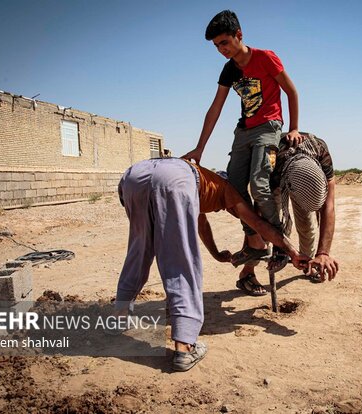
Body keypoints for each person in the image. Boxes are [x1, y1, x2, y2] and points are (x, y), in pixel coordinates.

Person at [109, 158, 309, 372]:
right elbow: (258, 224)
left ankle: (119, 317)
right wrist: (293, 252)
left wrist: (216, 254)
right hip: (173, 180)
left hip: (133, 178)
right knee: (180, 260)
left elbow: (201, 225)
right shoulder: (227, 191)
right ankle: (185, 347)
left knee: (139, 250)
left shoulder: (204, 183)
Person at [183, 10, 303, 259]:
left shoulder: (265, 58)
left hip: (269, 126)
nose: (221, 49)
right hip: (243, 131)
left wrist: (293, 128)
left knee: (259, 186)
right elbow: (215, 107)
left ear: (239, 35)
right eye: (216, 46)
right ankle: (255, 239)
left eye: (224, 42)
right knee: (234, 189)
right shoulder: (229, 70)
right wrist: (199, 148)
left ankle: (279, 242)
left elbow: (291, 91)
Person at [233, 132, 340, 295]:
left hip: (299, 175)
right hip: (277, 175)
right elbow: (258, 216)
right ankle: (247, 273)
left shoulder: (320, 151)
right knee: (268, 230)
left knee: (306, 225)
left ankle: (310, 263)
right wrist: (280, 247)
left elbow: (329, 206)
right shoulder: (270, 160)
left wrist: (323, 252)